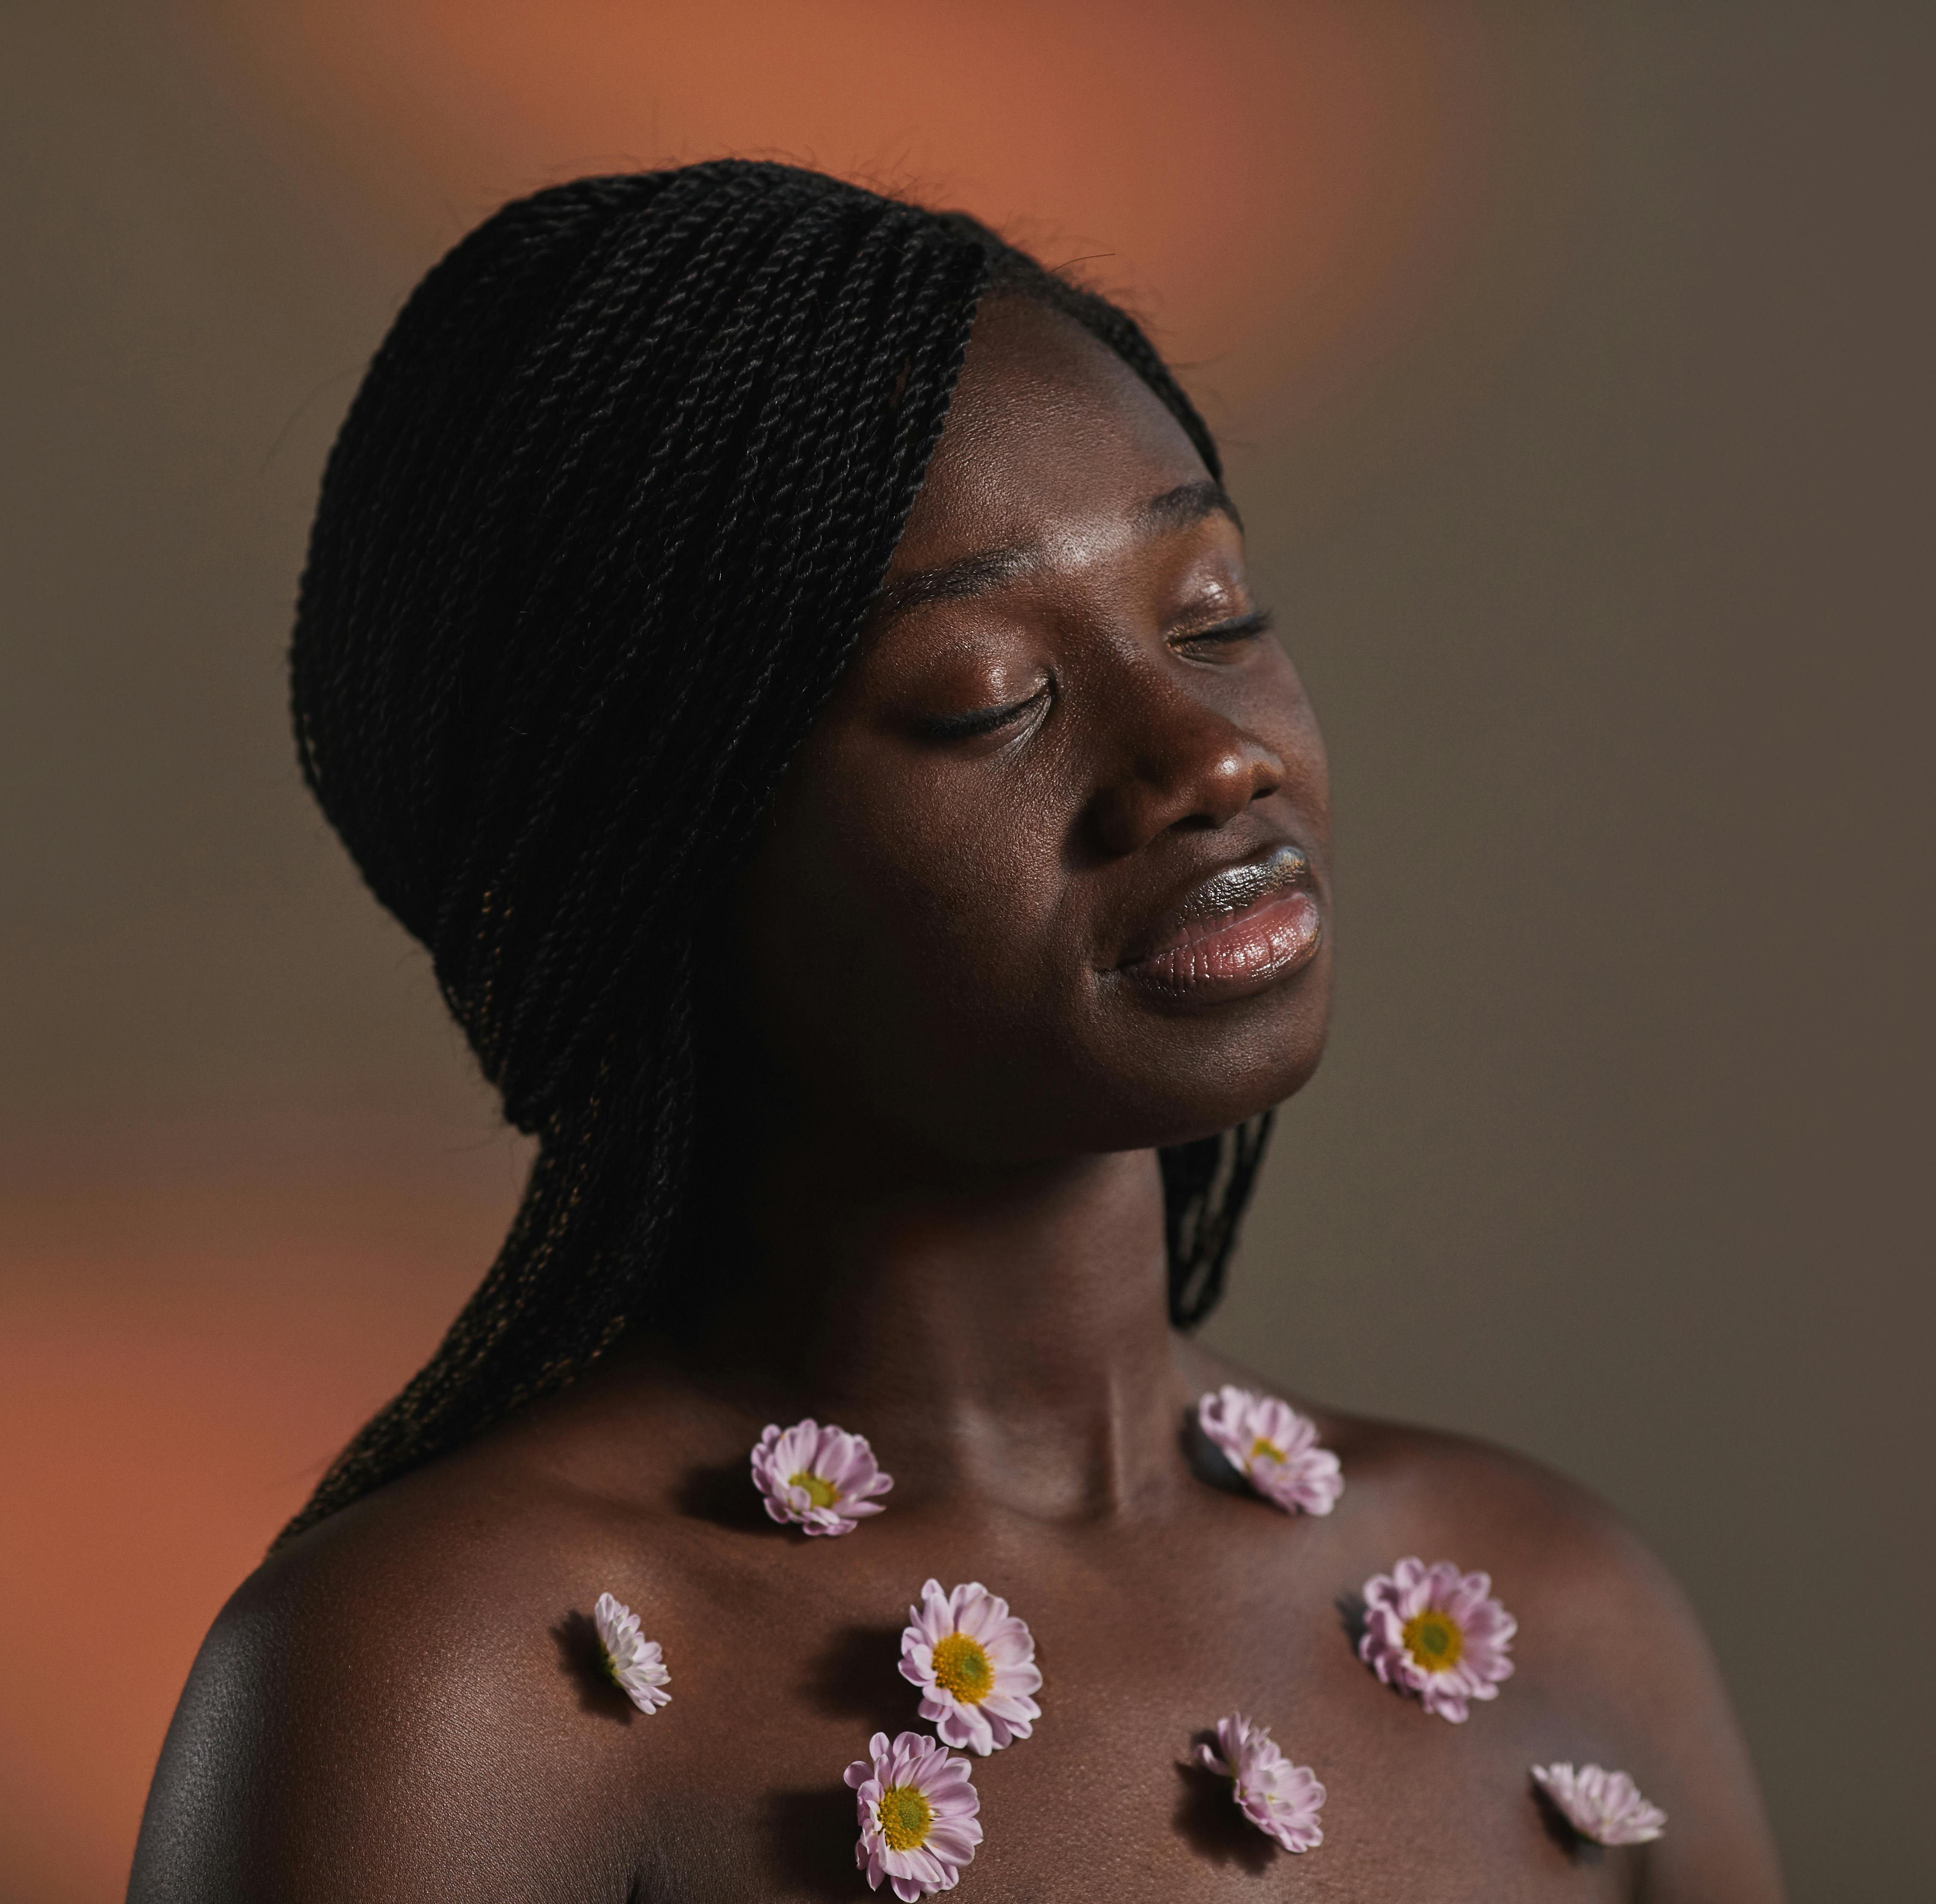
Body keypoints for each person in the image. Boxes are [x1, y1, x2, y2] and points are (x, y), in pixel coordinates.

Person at [130, 160, 1780, 1900]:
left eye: (1214, 614)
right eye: (987, 697)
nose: (1209, 756)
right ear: (646, 854)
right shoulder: (459, 1691)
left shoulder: (1555, 1608)